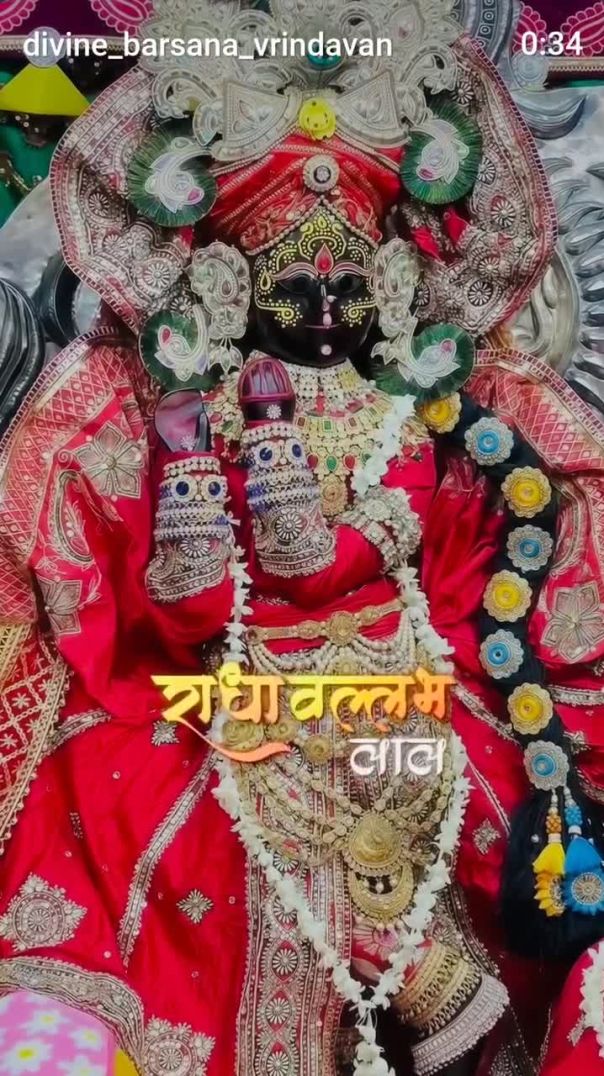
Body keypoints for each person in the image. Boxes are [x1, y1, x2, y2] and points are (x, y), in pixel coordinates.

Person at [1, 1, 604, 1073]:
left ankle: (441, 993)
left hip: (401, 674)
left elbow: (377, 542)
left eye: (346, 286)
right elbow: (174, 602)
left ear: (389, 284)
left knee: (466, 790)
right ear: (230, 284)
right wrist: (196, 501)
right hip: (219, 682)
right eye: (294, 286)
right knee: (130, 790)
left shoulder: (410, 404)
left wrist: (316, 531)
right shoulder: (169, 401)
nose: (325, 312)